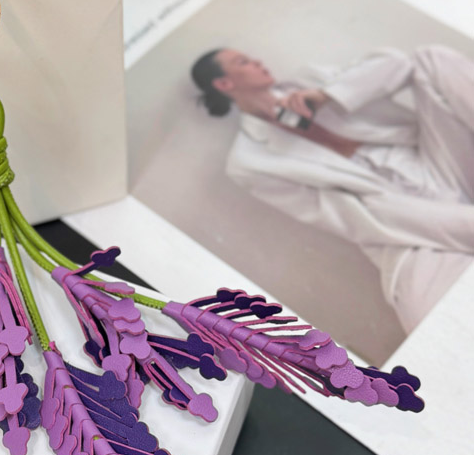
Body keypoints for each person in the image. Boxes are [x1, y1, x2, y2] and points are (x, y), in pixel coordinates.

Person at [191, 45, 474, 332]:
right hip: (391, 218)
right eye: (243, 62)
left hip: (433, 162)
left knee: (431, 59)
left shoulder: (311, 80)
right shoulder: (248, 163)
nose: (258, 61)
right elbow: (354, 217)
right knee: (426, 308)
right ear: (224, 83)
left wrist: (326, 96)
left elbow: (397, 62)